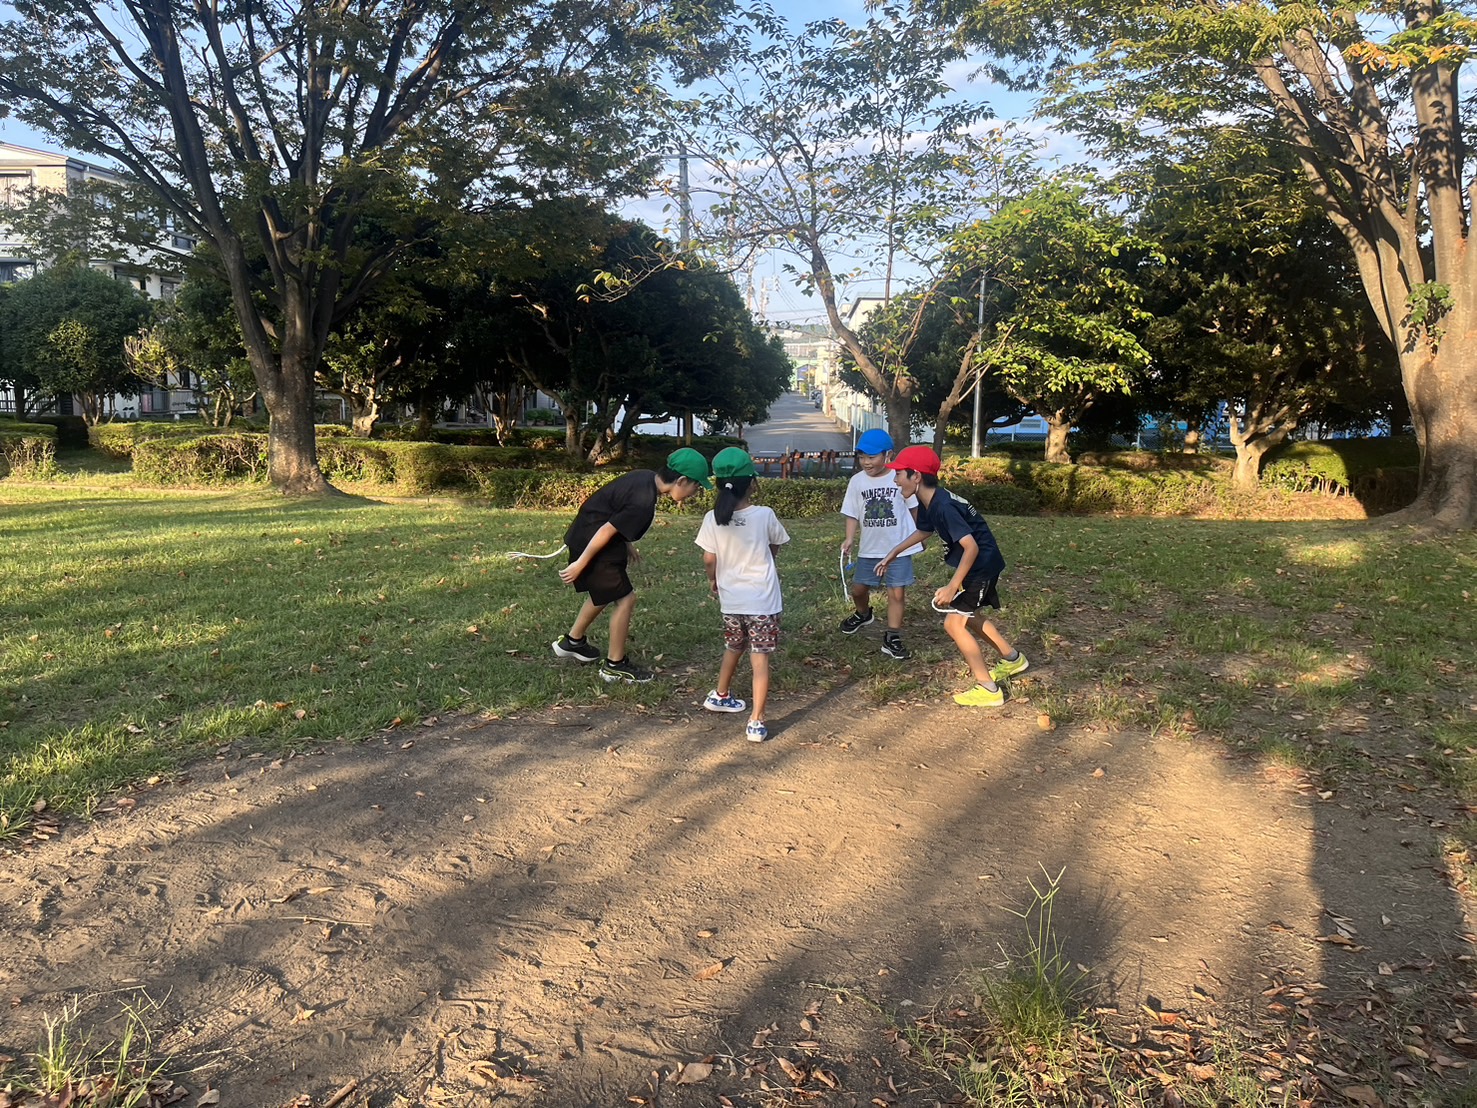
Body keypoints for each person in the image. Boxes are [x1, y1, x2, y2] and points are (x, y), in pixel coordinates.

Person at [876, 445, 1029, 708]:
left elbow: (971, 547)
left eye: (899, 474)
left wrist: (952, 586)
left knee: (953, 624)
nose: (895, 480)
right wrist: (894, 552)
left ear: (916, 476)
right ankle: (1013, 659)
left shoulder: (944, 506)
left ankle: (988, 689)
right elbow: (924, 531)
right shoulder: (929, 500)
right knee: (970, 617)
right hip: (978, 565)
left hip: (981, 566)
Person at [551, 447, 712, 683]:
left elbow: (614, 512)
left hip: (590, 535)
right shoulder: (643, 502)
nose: (695, 493)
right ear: (681, 481)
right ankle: (614, 665)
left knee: (607, 592)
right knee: (625, 599)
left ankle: (572, 642)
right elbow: (606, 529)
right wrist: (580, 564)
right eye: (696, 486)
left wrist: (626, 544)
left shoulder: (644, 477)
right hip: (594, 543)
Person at [695, 446, 790, 741]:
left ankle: (720, 694)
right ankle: (756, 722)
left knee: (734, 646)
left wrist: (713, 580)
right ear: (752, 483)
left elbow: (709, 559)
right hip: (762, 601)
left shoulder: (712, 518)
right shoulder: (765, 515)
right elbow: (775, 545)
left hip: (731, 600)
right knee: (759, 659)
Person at [839, 428, 921, 659]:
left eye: (872, 457)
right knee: (858, 589)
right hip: (869, 549)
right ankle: (863, 613)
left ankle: (892, 636)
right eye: (862, 457)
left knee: (897, 593)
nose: (866, 462)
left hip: (898, 549)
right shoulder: (857, 481)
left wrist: (918, 537)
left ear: (888, 455)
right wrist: (849, 538)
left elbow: (914, 508)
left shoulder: (900, 477)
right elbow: (852, 513)